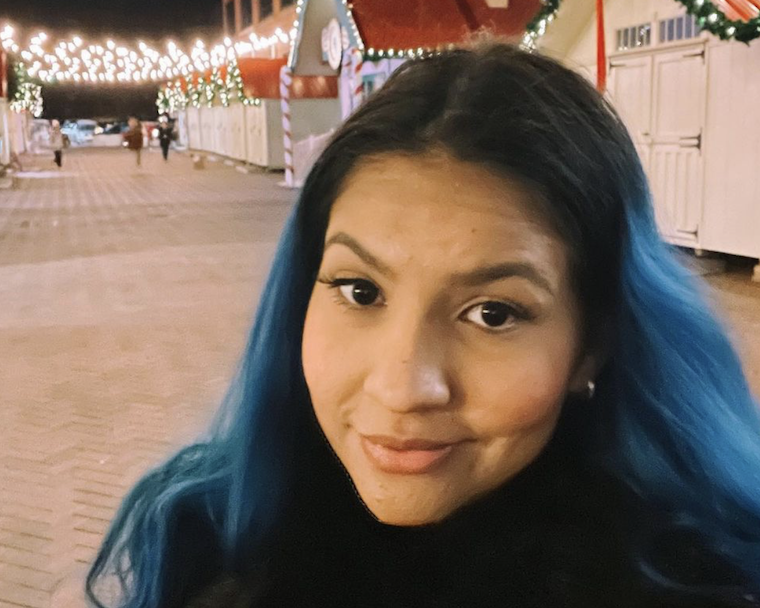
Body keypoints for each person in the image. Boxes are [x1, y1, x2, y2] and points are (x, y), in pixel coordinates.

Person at [87, 42, 760, 608]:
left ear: (592, 345)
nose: (403, 387)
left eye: (493, 313)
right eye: (360, 291)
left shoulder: (698, 582)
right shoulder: (205, 542)